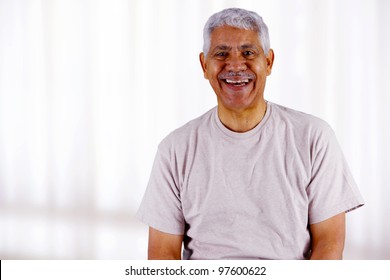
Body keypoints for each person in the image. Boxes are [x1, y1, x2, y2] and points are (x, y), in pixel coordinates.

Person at [136, 7, 364, 260]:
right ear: (204, 64)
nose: (234, 65)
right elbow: (161, 253)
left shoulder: (313, 137)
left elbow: (329, 244)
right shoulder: (175, 149)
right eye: (221, 53)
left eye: (248, 52)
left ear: (268, 62)